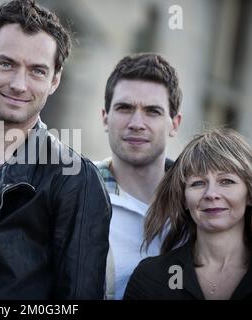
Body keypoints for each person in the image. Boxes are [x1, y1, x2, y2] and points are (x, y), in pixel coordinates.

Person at [0, 0, 111, 299]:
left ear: (55, 80)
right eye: (6, 64)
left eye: (37, 71)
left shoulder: (76, 179)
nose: (19, 84)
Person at [124, 128, 252, 300]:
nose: (211, 193)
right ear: (183, 198)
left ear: (249, 194)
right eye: (198, 183)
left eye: (226, 181)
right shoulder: (152, 278)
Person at [96, 53, 183, 299]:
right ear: (105, 118)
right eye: (124, 108)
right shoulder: (74, 191)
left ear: (174, 124)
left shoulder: (201, 202)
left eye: (152, 111)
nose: (136, 123)